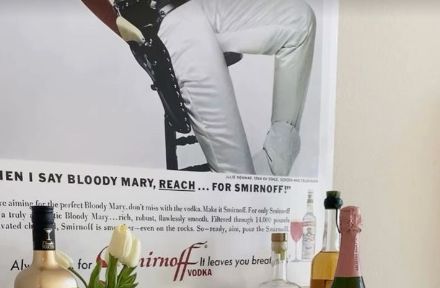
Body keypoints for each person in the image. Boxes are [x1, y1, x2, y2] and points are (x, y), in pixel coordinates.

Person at [80, 0, 316, 175]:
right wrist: (134, 38)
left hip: (202, 5)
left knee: (299, 21)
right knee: (238, 185)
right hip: (166, 23)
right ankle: (249, 189)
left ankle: (278, 159)